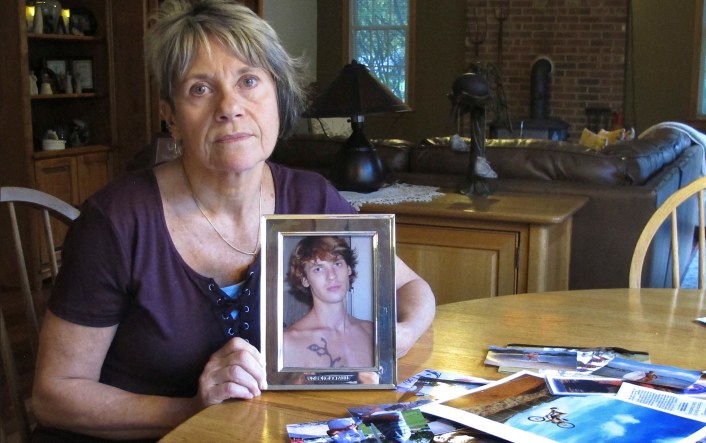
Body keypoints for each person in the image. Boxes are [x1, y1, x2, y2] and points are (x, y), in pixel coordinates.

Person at [30, 1, 435, 441]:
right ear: (171, 116)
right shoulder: (118, 222)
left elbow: (413, 289)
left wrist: (398, 337)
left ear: (277, 95)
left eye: (248, 81)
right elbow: (55, 394)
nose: (230, 107)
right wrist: (192, 409)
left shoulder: (310, 198)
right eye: (200, 89)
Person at [283, 236, 374, 368]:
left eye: (337, 264)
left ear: (348, 268)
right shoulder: (287, 343)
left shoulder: (372, 332)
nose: (331, 276)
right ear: (305, 279)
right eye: (318, 269)